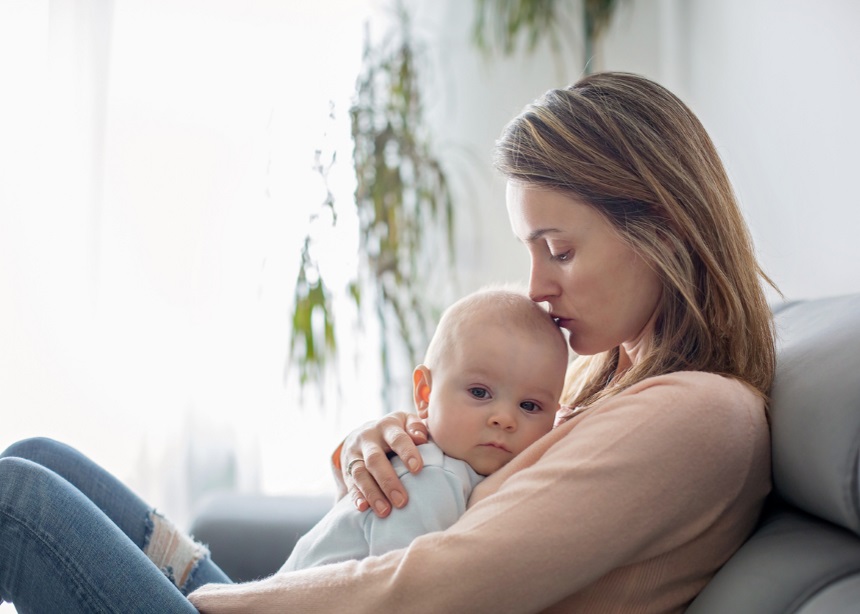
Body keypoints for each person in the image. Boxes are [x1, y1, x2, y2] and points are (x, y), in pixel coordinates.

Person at [0, 71, 776, 614]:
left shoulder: (702, 414)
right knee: (41, 458)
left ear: (664, 227)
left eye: (560, 250)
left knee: (15, 501)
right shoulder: (608, 388)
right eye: (530, 251)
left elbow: (448, 586)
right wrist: (389, 444)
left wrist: (208, 602)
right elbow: (455, 510)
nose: (536, 286)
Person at [281, 287, 568, 571]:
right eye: (480, 392)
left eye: (529, 406)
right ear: (424, 394)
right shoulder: (429, 476)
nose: (505, 418)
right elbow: (400, 590)